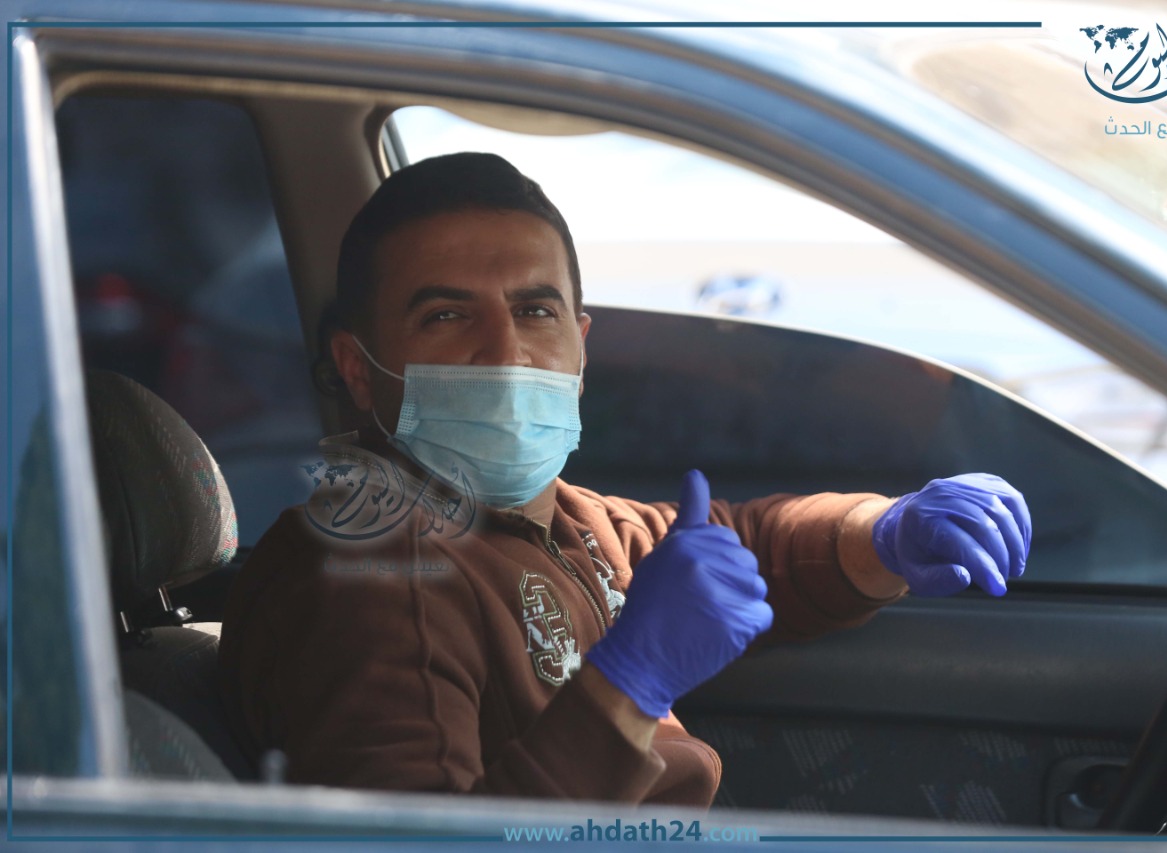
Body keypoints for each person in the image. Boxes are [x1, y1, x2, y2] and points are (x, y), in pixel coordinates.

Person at [218, 152, 1032, 806]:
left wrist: (885, 532)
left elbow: (736, 546)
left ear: (581, 346)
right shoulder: (370, 578)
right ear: (358, 370)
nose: (506, 350)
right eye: (446, 315)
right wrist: (630, 680)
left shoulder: (554, 521)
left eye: (535, 311)